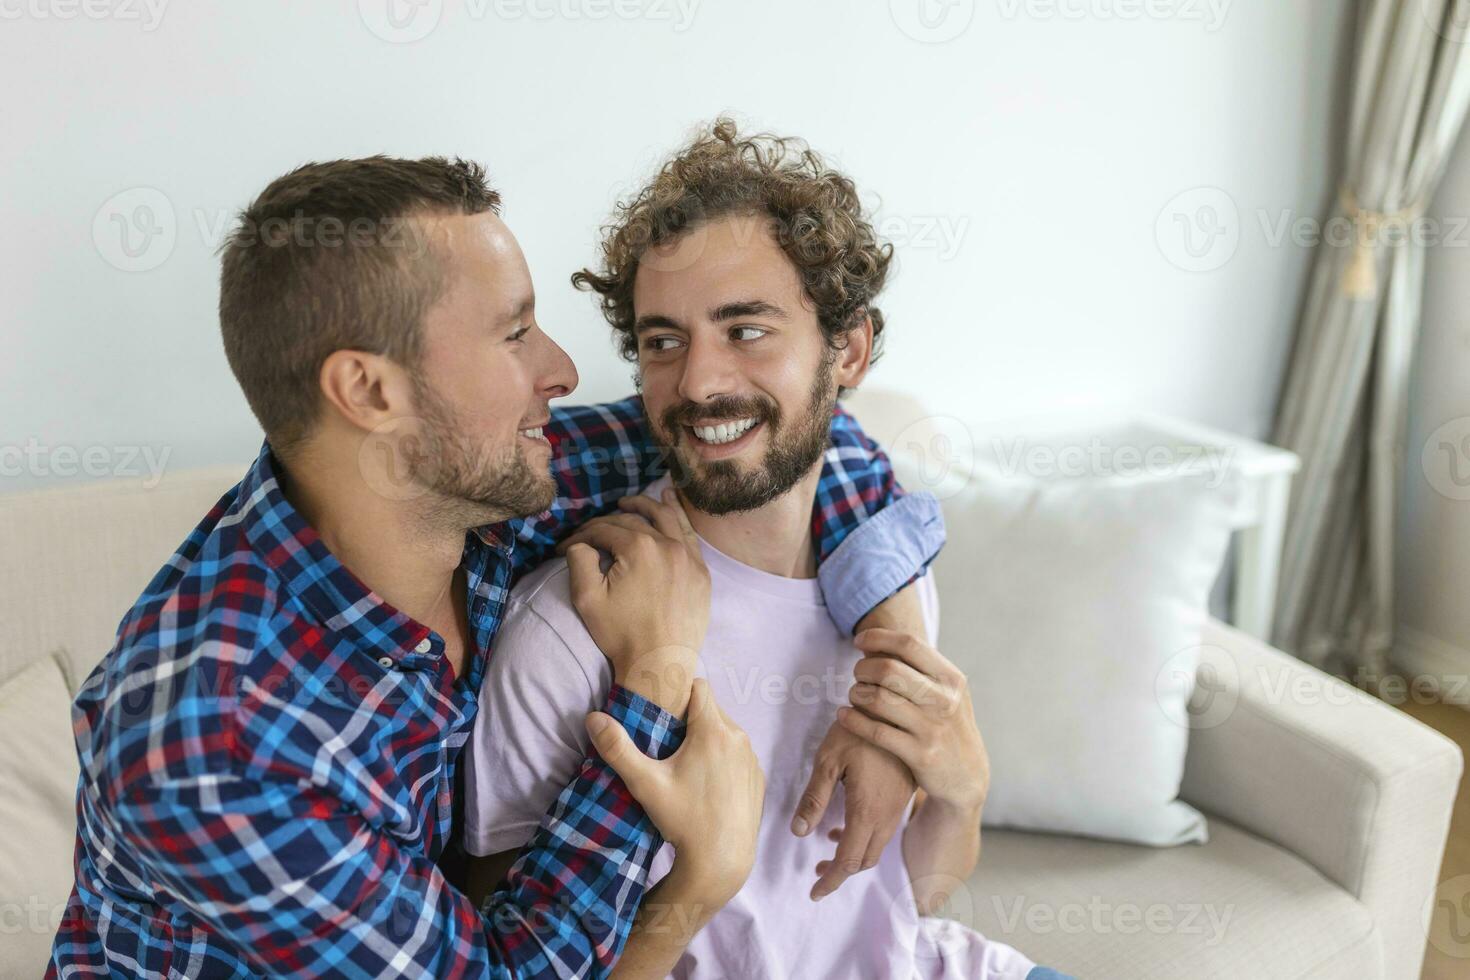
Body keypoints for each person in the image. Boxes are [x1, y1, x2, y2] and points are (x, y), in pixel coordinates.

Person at [48, 155, 942, 978]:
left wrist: (892, 683)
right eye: (515, 333)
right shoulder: (214, 750)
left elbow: (794, 434)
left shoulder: (472, 484)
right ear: (370, 392)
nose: (560, 369)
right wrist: (656, 680)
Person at [464, 121, 1072, 979]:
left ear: (849, 349)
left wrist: (963, 790)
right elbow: (514, 954)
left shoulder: (886, 579)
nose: (701, 381)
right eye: (663, 341)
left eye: (746, 330)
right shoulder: (570, 628)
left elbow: (907, 896)